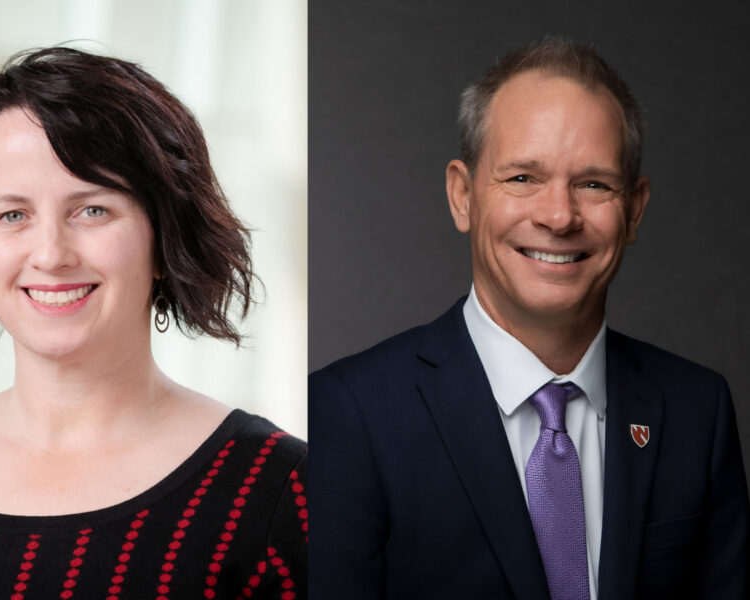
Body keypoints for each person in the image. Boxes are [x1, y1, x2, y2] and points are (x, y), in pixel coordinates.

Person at [0, 47, 306, 599]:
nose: (50, 254)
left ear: (165, 239)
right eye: (11, 214)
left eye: (92, 210)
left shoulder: (282, 490)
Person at [309, 38, 748, 599]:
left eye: (594, 184)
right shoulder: (346, 415)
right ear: (462, 195)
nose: (559, 216)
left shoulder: (697, 411)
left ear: (634, 210)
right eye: (522, 178)